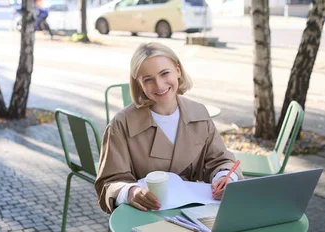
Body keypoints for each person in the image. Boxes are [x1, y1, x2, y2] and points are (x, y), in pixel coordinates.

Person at [94, 42, 243, 214]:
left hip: (193, 211)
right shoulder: (121, 124)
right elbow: (108, 182)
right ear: (139, 84)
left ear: (178, 70)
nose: (159, 85)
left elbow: (220, 160)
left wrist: (224, 177)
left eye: (165, 73)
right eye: (148, 79)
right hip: (143, 214)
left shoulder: (199, 113)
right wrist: (131, 192)